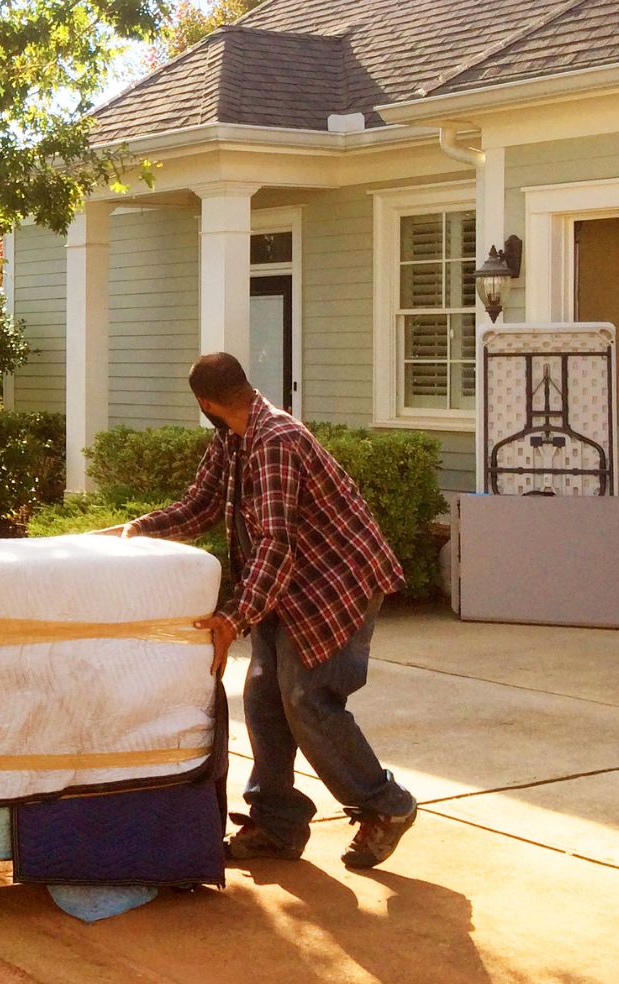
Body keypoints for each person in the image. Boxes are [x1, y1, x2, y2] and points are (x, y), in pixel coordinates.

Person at [113, 352, 417, 870]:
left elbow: (276, 544)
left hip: (335, 584)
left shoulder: (276, 442)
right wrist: (139, 529)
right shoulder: (233, 437)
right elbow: (202, 506)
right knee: (261, 698)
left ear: (205, 403)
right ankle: (277, 825)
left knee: (307, 699)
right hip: (287, 586)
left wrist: (233, 619)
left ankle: (386, 805)